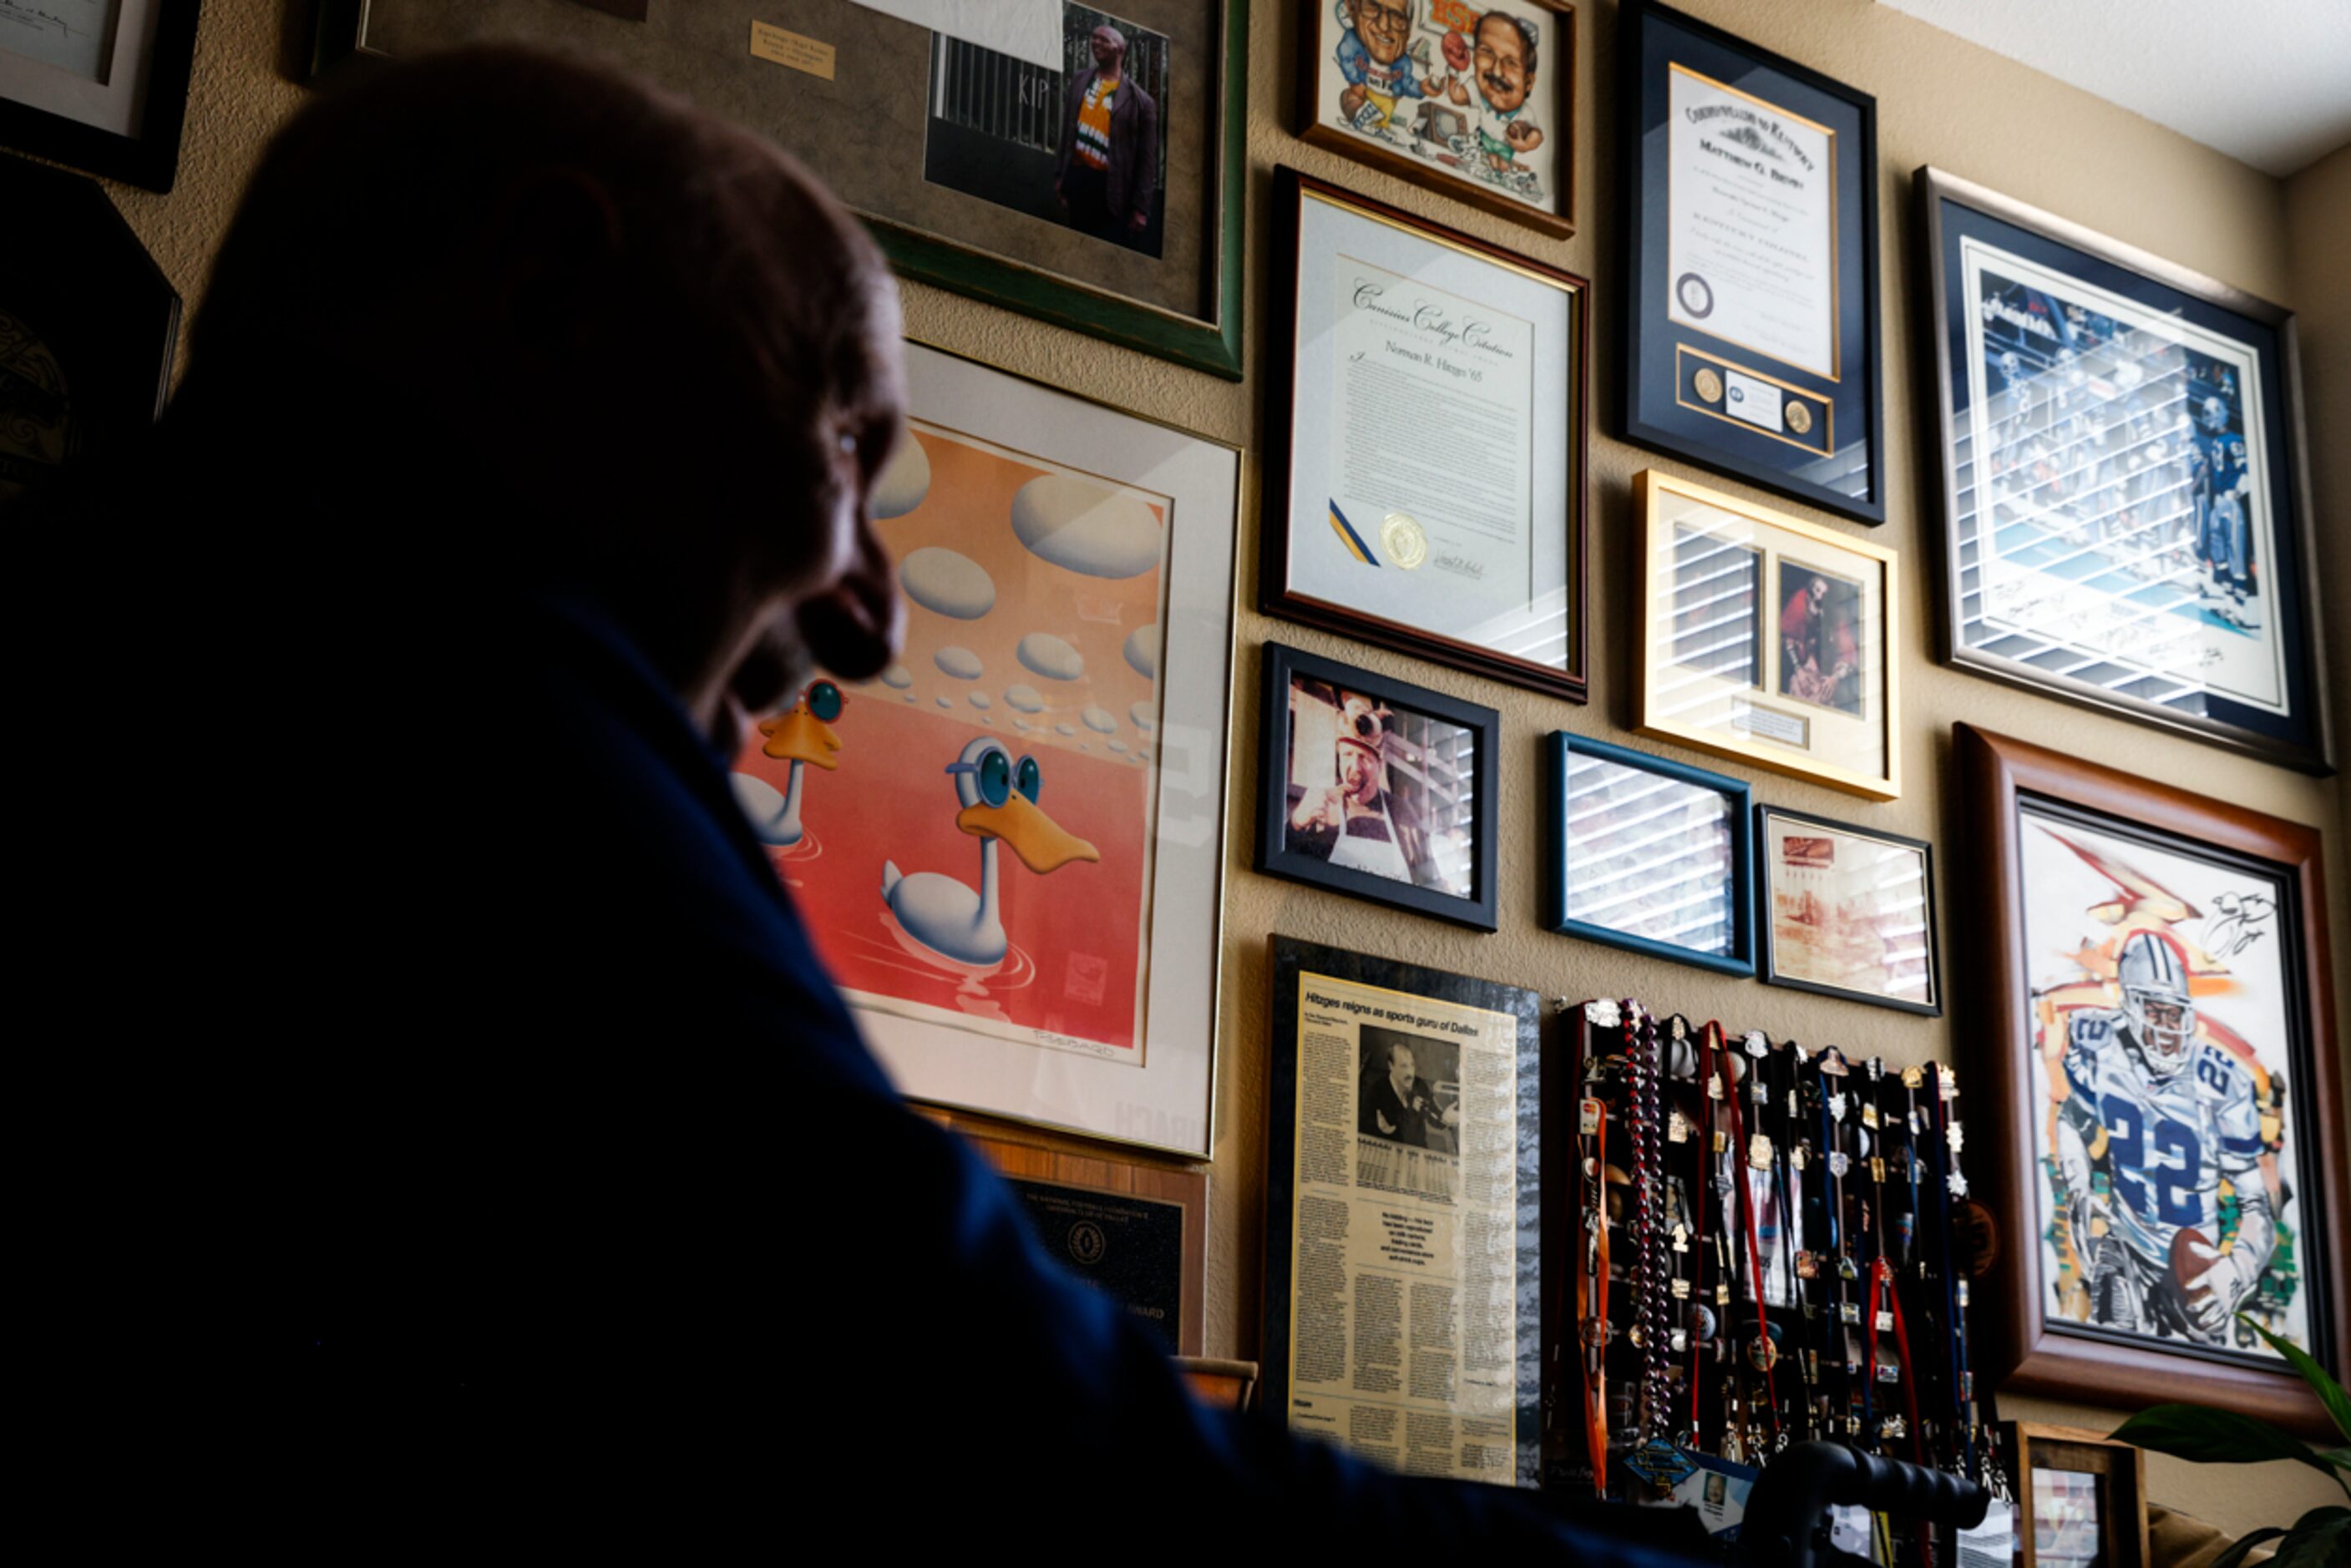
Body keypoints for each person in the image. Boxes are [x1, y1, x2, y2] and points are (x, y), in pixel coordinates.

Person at [35, 44, 1685, 1554]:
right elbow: (1014, 1440)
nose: (875, 620)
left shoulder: (177, 598)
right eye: (840, 437)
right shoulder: (429, 674)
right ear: (547, 292)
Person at [2053, 932, 2275, 1343]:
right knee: (2116, 1350)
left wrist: (2236, 1269)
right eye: (2155, 1012)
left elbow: (2257, 1206)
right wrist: (2079, 1187)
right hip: (2129, 1253)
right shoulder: (2099, 1046)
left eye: (2174, 1015)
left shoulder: (2221, 1084)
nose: (2167, 1027)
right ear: (2130, 1007)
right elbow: (2071, 1120)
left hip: (2196, 1269)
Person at [1053, 23, 1158, 247]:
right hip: (1078, 179)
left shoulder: (1141, 102)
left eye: (1104, 40)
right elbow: (1067, 132)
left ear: (1120, 49)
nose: (1096, 43)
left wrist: (1141, 208)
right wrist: (1061, 176)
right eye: (1094, 38)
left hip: (1110, 190)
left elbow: (1147, 160)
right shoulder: (1080, 80)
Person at [1463, 11, 1545, 185]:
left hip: (1504, 150)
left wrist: (1525, 144)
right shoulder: (1476, 91)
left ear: (1528, 82)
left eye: (1511, 63)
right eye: (1486, 52)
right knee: (1486, 161)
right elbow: (1457, 96)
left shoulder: (1524, 113)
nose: (1497, 71)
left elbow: (1536, 135)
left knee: (1501, 168)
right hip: (1481, 143)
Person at [1334, 0, 1429, 139]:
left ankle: (1381, 126)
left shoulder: (1403, 63)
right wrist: (1354, 81)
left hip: (1387, 102)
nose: (1384, 26)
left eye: (1397, 16)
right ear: (1353, 8)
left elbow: (1407, 84)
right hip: (1368, 96)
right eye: (1373, 7)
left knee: (1386, 110)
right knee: (1353, 100)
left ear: (1408, 30)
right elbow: (1346, 56)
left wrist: (1421, 88)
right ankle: (1359, 120)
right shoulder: (1353, 44)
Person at [1781, 574, 1858, 711]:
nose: (1820, 598)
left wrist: (1835, 678)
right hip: (1805, 670)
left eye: (1824, 594)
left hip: (1828, 673)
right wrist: (1799, 669)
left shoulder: (1835, 618)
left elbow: (1849, 656)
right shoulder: (1799, 608)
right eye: (1817, 591)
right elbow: (1790, 641)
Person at [1359, 1042, 1454, 1148]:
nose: (1410, 1073)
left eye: (1412, 1065)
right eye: (1404, 1066)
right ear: (1391, 1066)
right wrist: (1381, 1130)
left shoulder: (1420, 1085)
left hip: (1419, 1147)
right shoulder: (1375, 1091)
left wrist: (1446, 1119)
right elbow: (1363, 1129)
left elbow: (1434, 1118)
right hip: (1390, 1149)